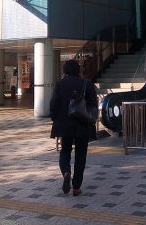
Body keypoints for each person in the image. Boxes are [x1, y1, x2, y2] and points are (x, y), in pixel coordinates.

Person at [49, 59, 98, 197]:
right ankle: (76, 187)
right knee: (81, 155)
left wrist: (54, 117)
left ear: (65, 70)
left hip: (65, 124)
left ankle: (66, 171)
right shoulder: (87, 84)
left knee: (65, 150)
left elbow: (53, 103)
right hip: (83, 124)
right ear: (78, 69)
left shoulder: (60, 84)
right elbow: (93, 104)